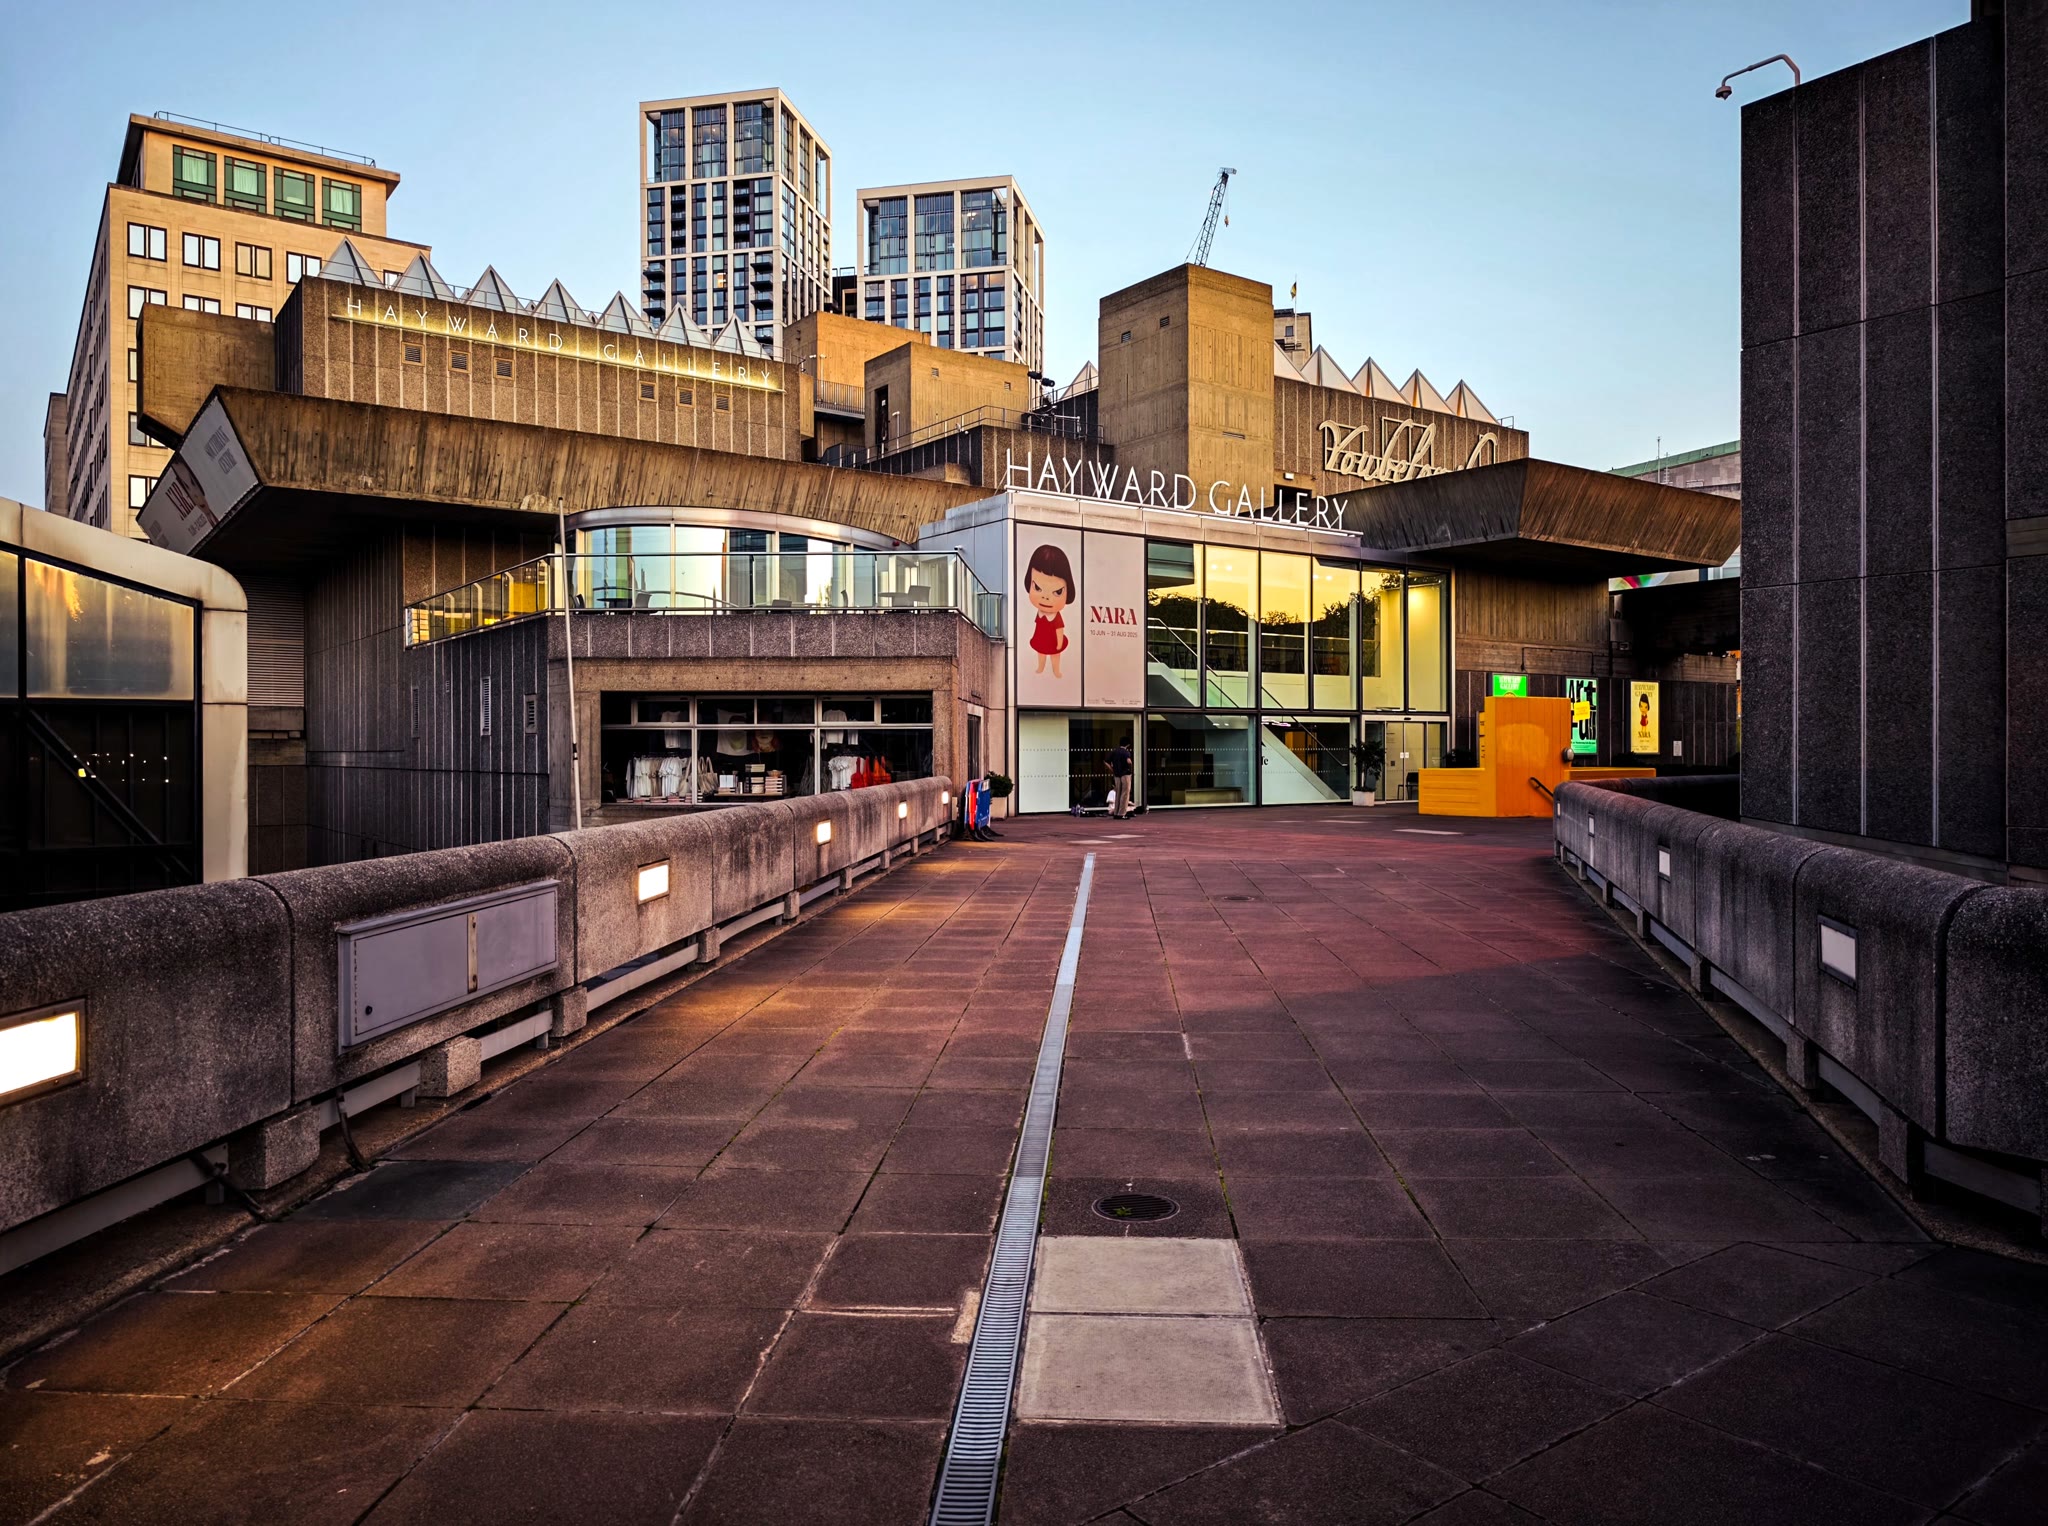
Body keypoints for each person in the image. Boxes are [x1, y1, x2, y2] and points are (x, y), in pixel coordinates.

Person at [1023, 543, 1076, 681]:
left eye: (1057, 592)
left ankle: (1056, 670)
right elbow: (1038, 625)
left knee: (1055, 656)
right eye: (1037, 588)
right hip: (1041, 640)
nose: (1046, 598)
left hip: (1053, 642)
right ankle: (1040, 667)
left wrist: (1059, 644)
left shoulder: (1056, 617)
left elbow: (1059, 630)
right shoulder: (1039, 613)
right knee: (1040, 654)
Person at [1105, 739, 1135, 819]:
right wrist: (1131, 768)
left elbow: (1106, 762)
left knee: (1118, 793)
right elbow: (1129, 762)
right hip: (1125, 774)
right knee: (1125, 794)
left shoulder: (1114, 752)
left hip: (1117, 774)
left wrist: (1112, 769)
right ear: (1127, 745)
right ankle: (1121, 813)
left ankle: (1116, 812)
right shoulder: (1126, 752)